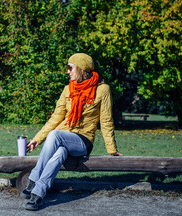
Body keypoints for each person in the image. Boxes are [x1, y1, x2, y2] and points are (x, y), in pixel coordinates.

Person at [21, 53, 123, 211]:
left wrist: (112, 149)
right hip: (63, 137)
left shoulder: (102, 90)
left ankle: (33, 179)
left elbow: (106, 121)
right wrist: (37, 139)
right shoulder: (68, 89)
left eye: (70, 68)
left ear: (82, 70)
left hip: (83, 141)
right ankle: (37, 195)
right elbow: (56, 118)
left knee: (55, 135)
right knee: (59, 153)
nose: (67, 71)